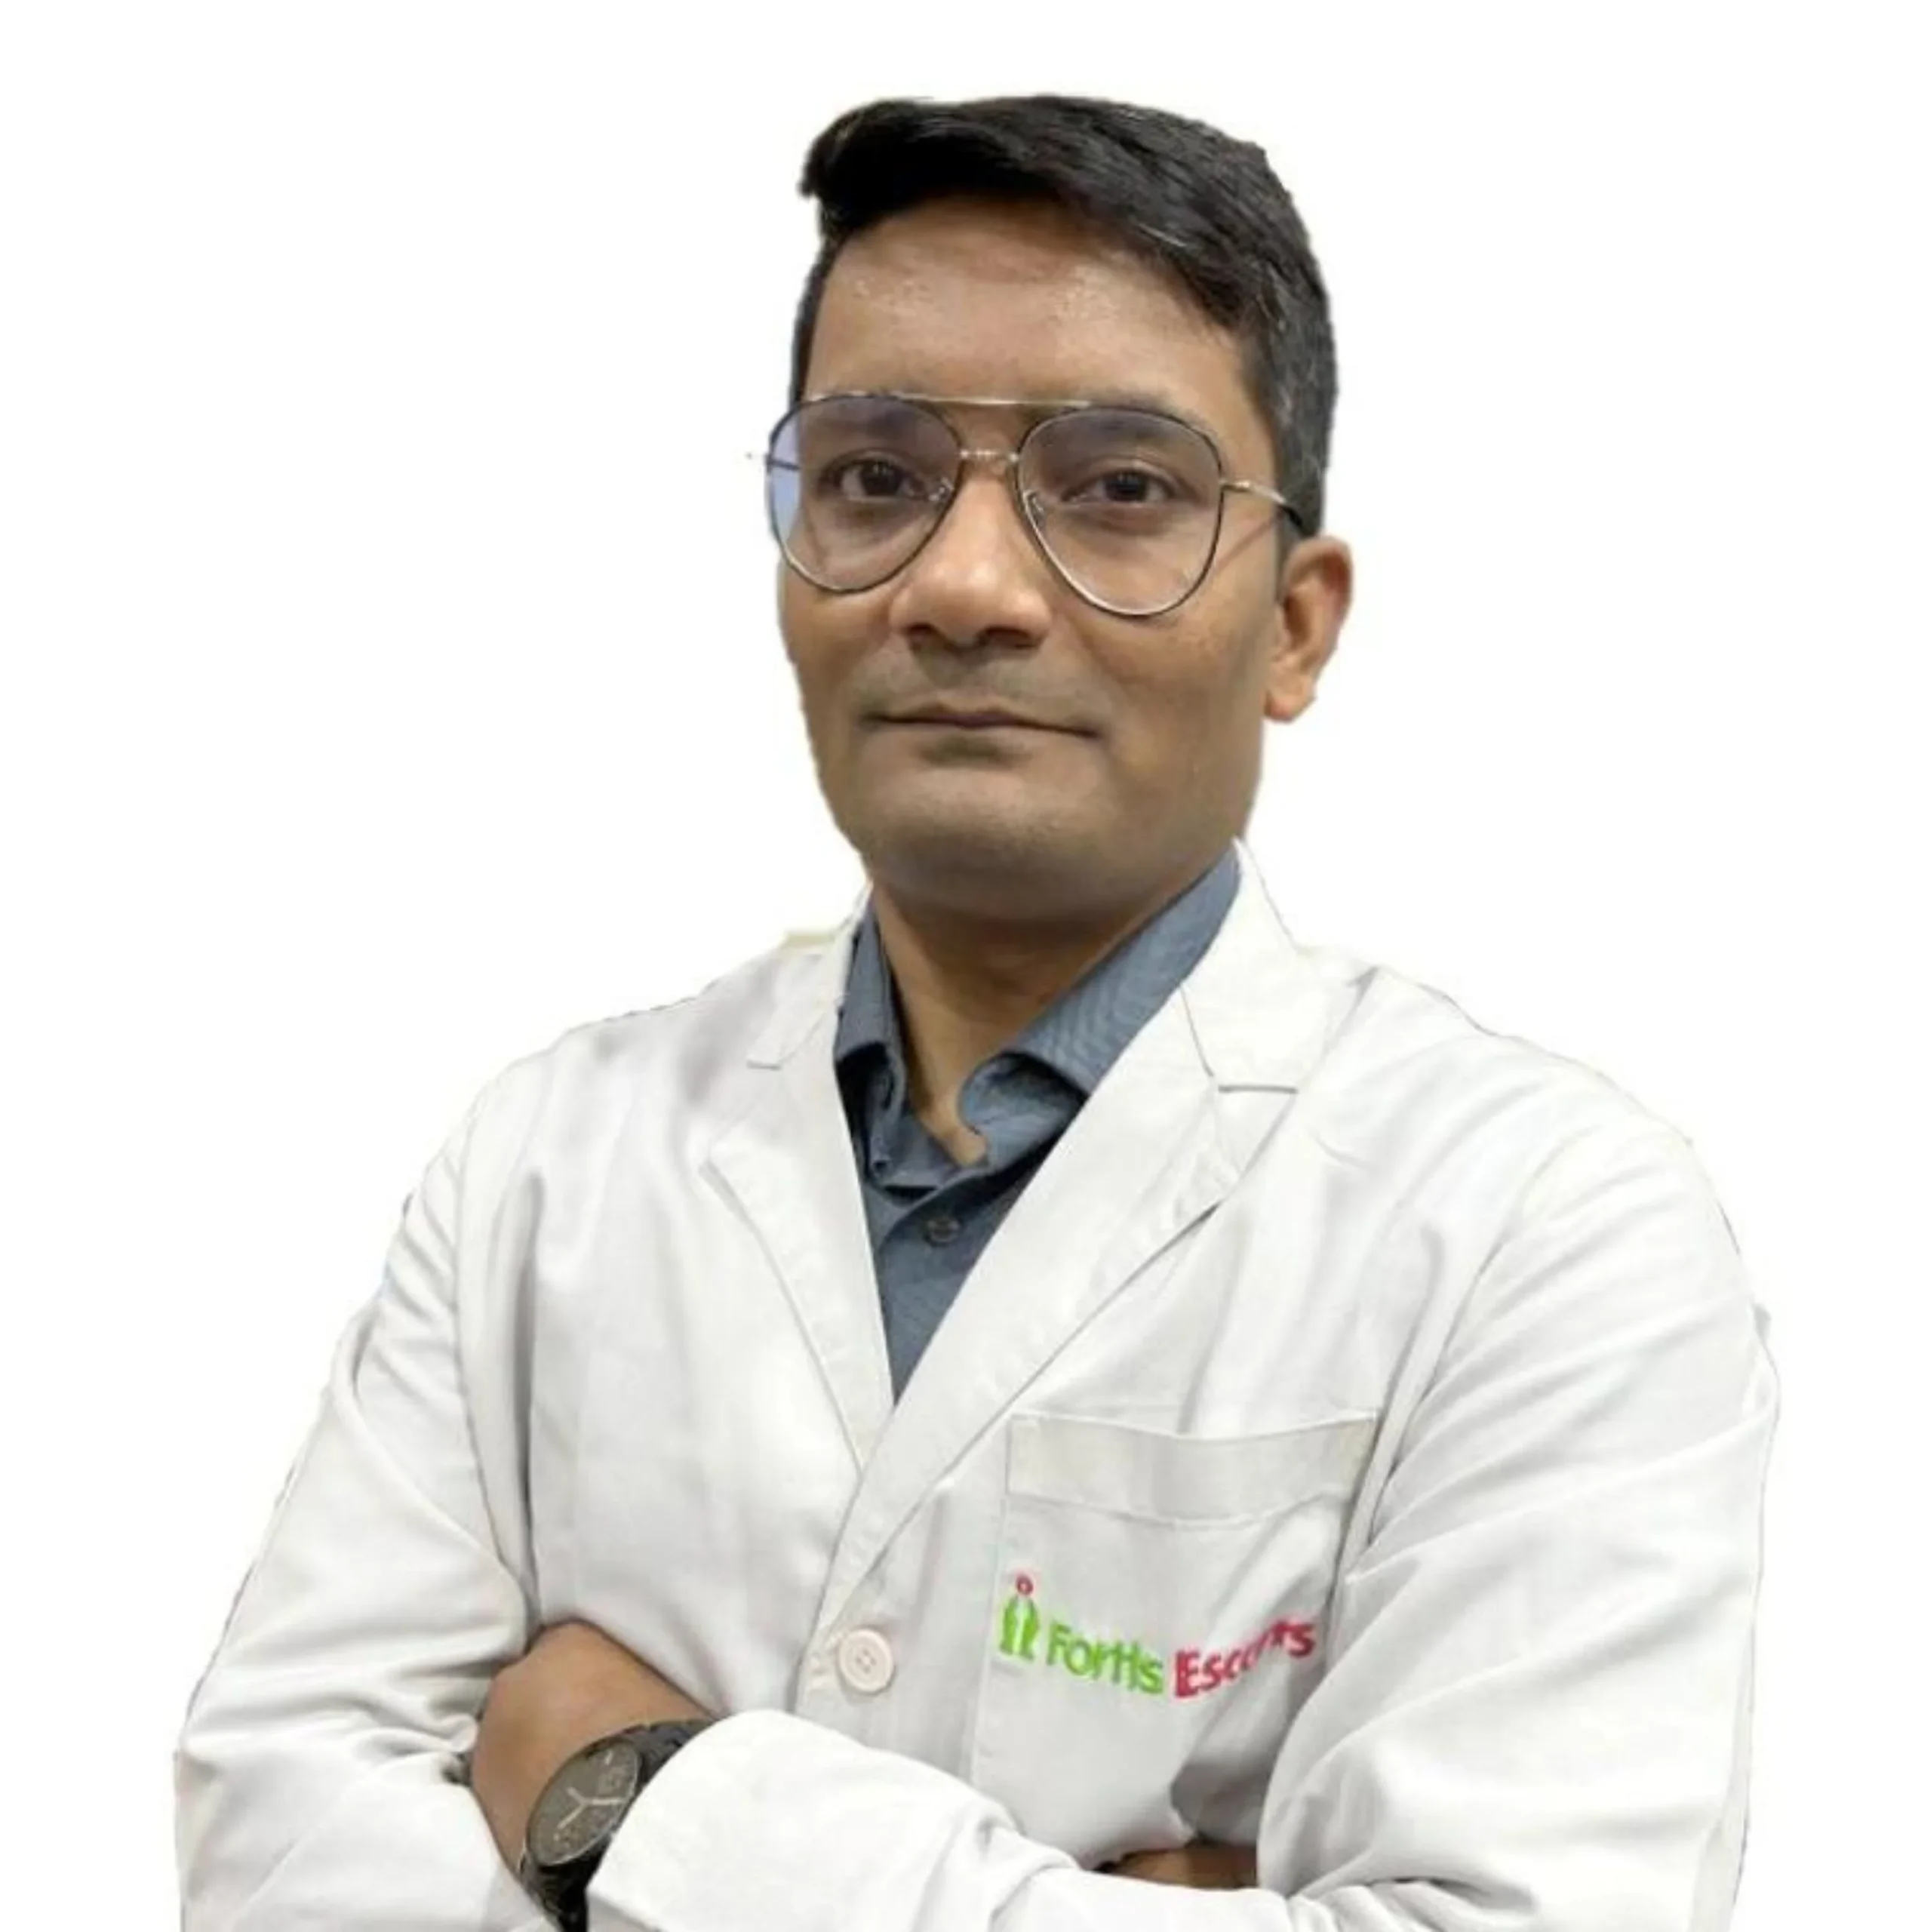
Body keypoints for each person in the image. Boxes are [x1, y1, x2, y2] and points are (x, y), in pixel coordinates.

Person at [174, 91, 1778, 1932]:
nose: (962, 586)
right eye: (874, 476)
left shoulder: (1545, 1226)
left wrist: (624, 1795)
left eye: (1121, 489)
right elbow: (273, 1845)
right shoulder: (547, 1161)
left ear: (1294, 624)